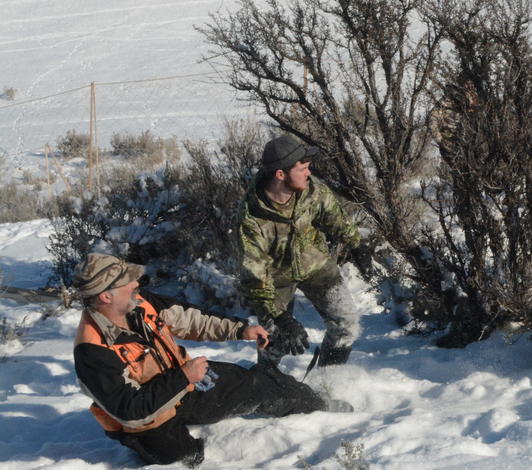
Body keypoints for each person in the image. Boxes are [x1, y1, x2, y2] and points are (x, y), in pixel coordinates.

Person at [72, 253, 331, 467]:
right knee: (180, 458)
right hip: (150, 419)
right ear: (106, 296)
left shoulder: (140, 302)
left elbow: (190, 319)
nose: (136, 284)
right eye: (127, 281)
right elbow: (130, 410)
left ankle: (322, 407)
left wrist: (239, 330)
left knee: (259, 384)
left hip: (186, 383)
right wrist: (183, 377)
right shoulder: (91, 350)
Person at [237, 134, 362, 369]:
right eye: (302, 168)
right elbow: (255, 277)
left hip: (316, 266)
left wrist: (357, 244)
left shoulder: (312, 190)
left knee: (346, 325)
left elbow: (335, 217)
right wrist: (280, 317)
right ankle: (267, 392)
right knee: (275, 340)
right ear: (280, 174)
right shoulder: (251, 219)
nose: (309, 173)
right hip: (275, 281)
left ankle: (329, 383)